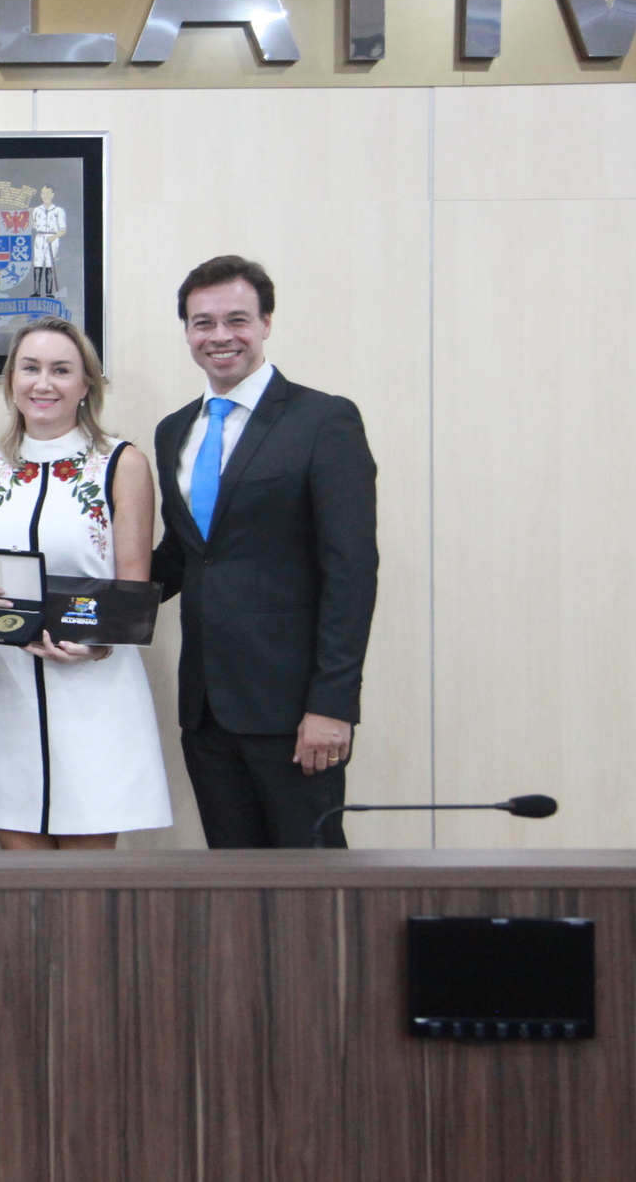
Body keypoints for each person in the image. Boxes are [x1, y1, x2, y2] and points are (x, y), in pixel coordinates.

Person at [152, 256, 378, 848]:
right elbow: (183, 556)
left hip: (294, 714)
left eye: (236, 319)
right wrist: (86, 605)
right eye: (202, 323)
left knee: (313, 890)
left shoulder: (323, 420)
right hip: (205, 712)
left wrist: (332, 705)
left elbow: (351, 574)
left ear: (266, 323)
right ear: (187, 332)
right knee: (233, 890)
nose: (220, 336)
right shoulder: (175, 430)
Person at [0, 319, 172, 849]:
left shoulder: (122, 464)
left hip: (94, 690)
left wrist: (94, 648)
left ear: (86, 385)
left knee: (86, 887)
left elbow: (133, 589)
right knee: (20, 878)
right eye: (30, 368)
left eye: (61, 370)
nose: (43, 383)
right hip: (11, 690)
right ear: (11, 380)